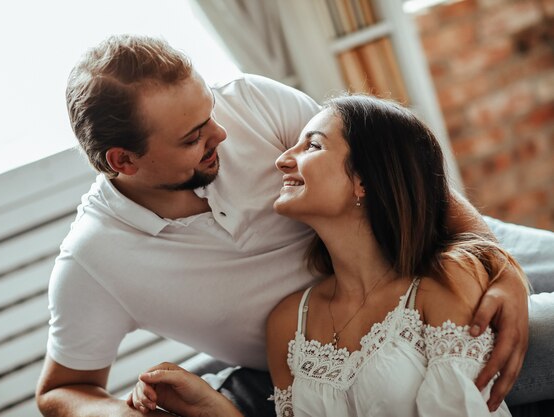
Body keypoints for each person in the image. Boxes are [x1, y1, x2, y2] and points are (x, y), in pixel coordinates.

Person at [35, 34, 551, 417]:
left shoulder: (255, 101)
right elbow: (60, 390)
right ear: (123, 161)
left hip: (436, 243)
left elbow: (400, 179)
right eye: (194, 137)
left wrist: (498, 264)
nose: (222, 132)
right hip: (304, 348)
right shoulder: (94, 260)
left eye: (210, 110)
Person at [129, 94, 526, 416]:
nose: (283, 160)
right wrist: (210, 408)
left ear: (365, 180)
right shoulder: (288, 323)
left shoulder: (446, 278)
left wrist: (507, 270)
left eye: (312, 145)